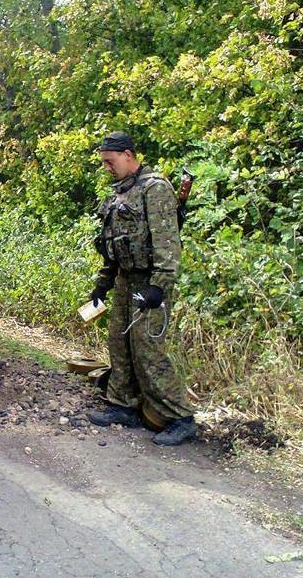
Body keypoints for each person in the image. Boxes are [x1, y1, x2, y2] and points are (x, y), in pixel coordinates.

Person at [87, 131, 197, 446]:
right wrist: (104, 281)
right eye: (104, 162)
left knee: (148, 349)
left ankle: (180, 417)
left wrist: (159, 287)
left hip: (149, 281)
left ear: (128, 155)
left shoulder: (155, 189)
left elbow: (167, 243)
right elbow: (114, 243)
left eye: (110, 161)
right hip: (125, 278)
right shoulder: (120, 193)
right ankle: (123, 405)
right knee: (119, 342)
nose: (107, 167)